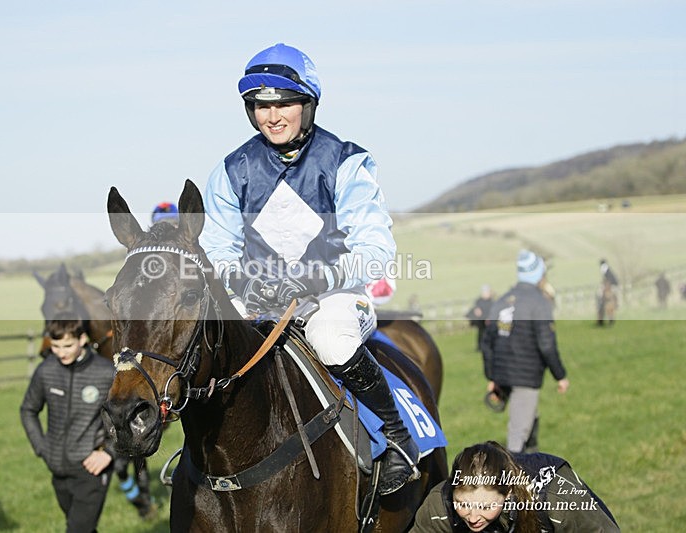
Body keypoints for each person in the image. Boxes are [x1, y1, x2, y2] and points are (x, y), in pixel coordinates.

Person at [199, 43, 419, 495]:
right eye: (261, 105)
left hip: (334, 297)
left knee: (332, 341)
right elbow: (217, 250)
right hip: (257, 298)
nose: (271, 116)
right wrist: (241, 281)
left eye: (283, 103)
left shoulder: (347, 161)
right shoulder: (230, 171)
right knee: (210, 339)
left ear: (308, 104)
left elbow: (375, 250)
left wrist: (318, 278)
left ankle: (398, 439)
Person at [20, 317, 116, 533]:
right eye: (55, 346)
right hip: (57, 469)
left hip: (91, 470)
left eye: (67, 346)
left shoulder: (106, 373)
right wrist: (42, 447)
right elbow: (28, 410)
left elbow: (127, 421)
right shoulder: (46, 371)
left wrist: (109, 453)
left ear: (82, 339)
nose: (61, 352)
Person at [412, 441, 619, 532]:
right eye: (463, 504)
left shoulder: (557, 496)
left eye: (485, 507)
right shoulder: (439, 505)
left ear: (508, 491)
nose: (473, 517)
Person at [480, 250, 569, 454]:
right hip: (525, 376)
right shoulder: (539, 302)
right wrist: (560, 375)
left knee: (529, 416)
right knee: (517, 436)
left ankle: (533, 458)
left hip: (502, 374)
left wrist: (492, 376)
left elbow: (487, 343)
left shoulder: (501, 300)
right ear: (538, 274)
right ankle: (513, 479)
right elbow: (546, 345)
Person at [465, 284, 493, 352]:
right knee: (481, 333)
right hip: (480, 322)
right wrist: (476, 310)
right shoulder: (479, 301)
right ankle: (480, 347)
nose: (486, 294)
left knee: (488, 334)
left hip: (488, 321)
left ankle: (488, 346)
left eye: (487, 292)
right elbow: (475, 310)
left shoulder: (491, 302)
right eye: (485, 292)